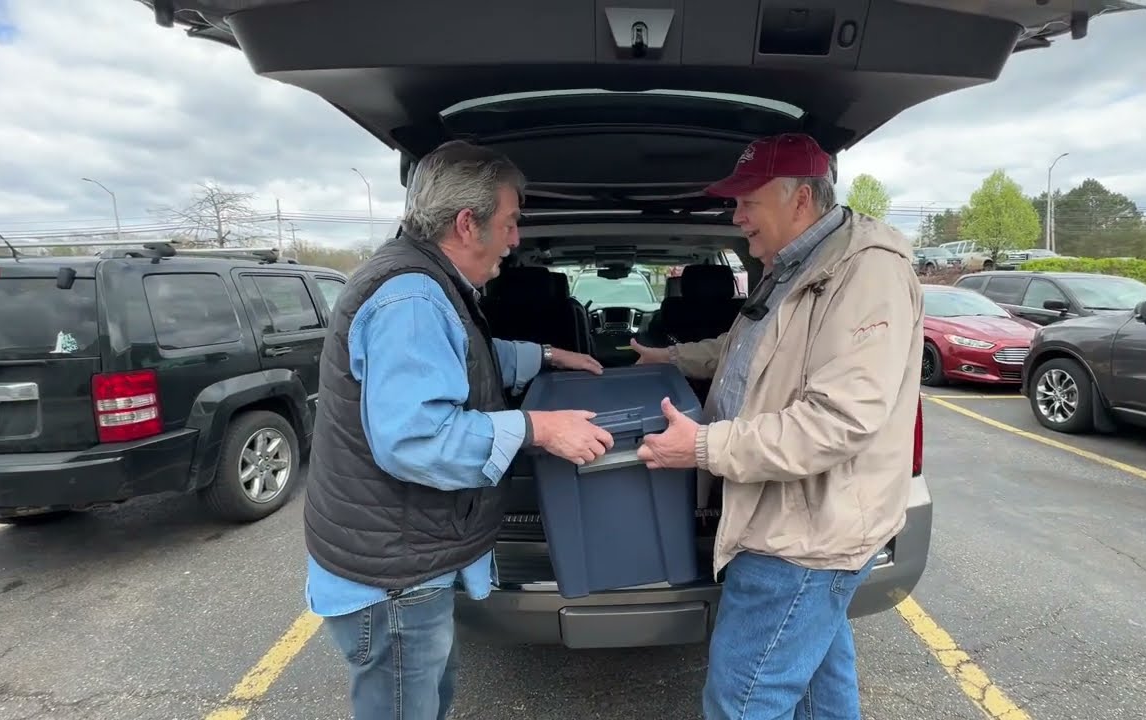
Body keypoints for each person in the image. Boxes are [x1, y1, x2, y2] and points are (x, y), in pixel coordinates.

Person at [303, 140, 614, 720]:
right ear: (468, 224)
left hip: (397, 558)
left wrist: (546, 354)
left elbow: (465, 356)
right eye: (512, 222)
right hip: (393, 576)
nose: (516, 239)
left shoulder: (421, 281)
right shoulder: (413, 298)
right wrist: (536, 428)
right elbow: (417, 439)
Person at [632, 133, 924, 720]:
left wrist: (704, 446)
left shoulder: (865, 273)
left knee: (742, 699)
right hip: (793, 516)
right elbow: (748, 350)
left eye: (746, 200)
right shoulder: (792, 265)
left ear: (799, 201)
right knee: (821, 686)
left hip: (804, 534)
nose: (735, 215)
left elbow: (839, 419)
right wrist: (670, 359)